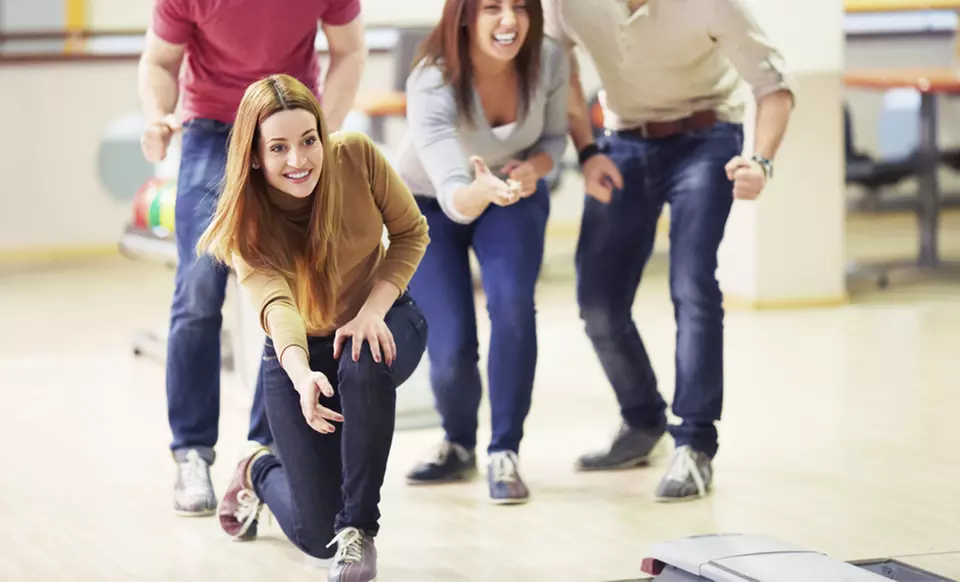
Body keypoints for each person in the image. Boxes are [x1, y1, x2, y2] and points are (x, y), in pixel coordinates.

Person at [543, 0, 795, 501]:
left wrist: (761, 162)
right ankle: (642, 422)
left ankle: (696, 442)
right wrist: (588, 149)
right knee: (597, 302)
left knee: (691, 282)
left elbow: (774, 89)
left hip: (706, 138)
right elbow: (557, 63)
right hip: (622, 141)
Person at [137, 0, 367, 517]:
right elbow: (159, 60)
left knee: (294, 289)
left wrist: (315, 135)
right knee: (199, 288)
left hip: (285, 129)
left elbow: (350, 51)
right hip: (212, 130)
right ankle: (192, 451)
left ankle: (265, 450)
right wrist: (158, 117)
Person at [197, 74, 429, 582]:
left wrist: (371, 310)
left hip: (386, 317)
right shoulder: (246, 222)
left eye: (308, 140)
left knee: (363, 360)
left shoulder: (357, 157)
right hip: (300, 351)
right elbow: (277, 306)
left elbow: (412, 233)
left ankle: (359, 534)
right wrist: (301, 374)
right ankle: (258, 470)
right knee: (313, 533)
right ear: (255, 155)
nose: (299, 160)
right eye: (278, 148)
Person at [395, 0, 569, 505]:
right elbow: (453, 190)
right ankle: (457, 443)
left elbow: (555, 139)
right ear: (467, 15)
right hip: (434, 202)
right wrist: (483, 190)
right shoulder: (433, 78)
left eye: (520, 6)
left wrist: (535, 167)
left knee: (513, 306)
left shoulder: (550, 59)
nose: (509, 20)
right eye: (493, 7)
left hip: (513, 194)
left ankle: (504, 451)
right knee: (448, 346)